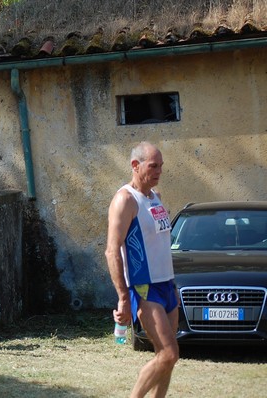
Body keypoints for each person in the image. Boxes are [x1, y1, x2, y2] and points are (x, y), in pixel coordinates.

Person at [105, 141, 178, 398]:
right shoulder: (125, 199)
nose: (159, 171)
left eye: (161, 166)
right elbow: (112, 251)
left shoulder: (155, 197)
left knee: (166, 359)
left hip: (167, 284)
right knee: (169, 354)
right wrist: (124, 297)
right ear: (135, 166)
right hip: (145, 287)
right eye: (153, 166)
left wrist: (173, 284)